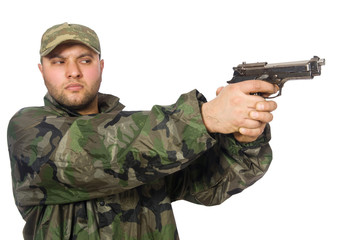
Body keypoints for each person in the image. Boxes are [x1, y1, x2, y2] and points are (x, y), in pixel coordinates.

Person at [7, 22, 278, 240]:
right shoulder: (29, 131)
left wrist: (242, 139)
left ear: (100, 67)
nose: (73, 72)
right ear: (42, 70)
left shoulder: (145, 135)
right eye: (58, 61)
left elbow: (208, 185)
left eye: (85, 60)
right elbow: (99, 150)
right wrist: (206, 117)